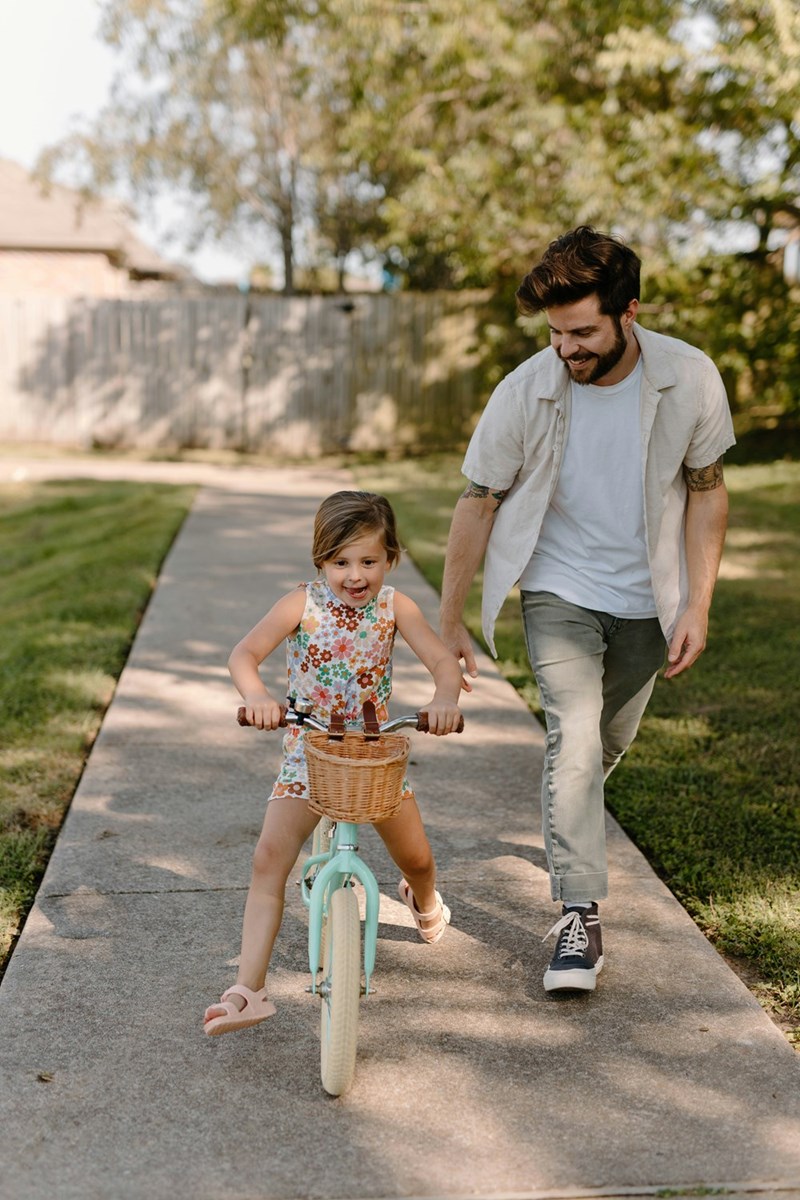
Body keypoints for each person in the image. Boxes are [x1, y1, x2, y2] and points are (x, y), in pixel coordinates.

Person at [439, 226, 735, 995]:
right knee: (572, 738)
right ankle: (579, 915)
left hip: (648, 597)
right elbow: (479, 501)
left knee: (602, 747)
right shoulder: (526, 389)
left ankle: (566, 822)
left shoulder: (690, 377)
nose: (565, 349)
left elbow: (706, 490)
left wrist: (697, 602)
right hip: (559, 587)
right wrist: (447, 622)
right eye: (554, 333)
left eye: (581, 332)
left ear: (628, 312)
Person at [204, 490, 463, 1036]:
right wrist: (258, 695)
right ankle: (248, 989)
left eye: (368, 561)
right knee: (268, 859)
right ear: (320, 560)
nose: (354, 575)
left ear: (391, 558)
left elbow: (442, 659)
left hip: (372, 754)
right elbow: (243, 654)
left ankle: (423, 897)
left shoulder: (396, 607)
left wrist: (444, 700)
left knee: (415, 858)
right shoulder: (302, 604)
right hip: (309, 752)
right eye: (340, 562)